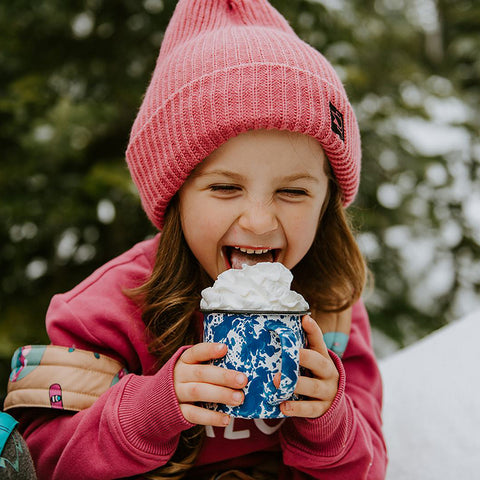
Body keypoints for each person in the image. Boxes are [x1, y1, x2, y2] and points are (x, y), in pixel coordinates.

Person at [4, 0, 387, 478]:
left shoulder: (331, 310)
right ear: (175, 196)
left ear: (327, 200)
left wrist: (329, 421)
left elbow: (371, 464)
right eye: (225, 187)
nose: (259, 220)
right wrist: (150, 412)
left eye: (293, 191)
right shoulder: (109, 311)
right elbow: (40, 460)